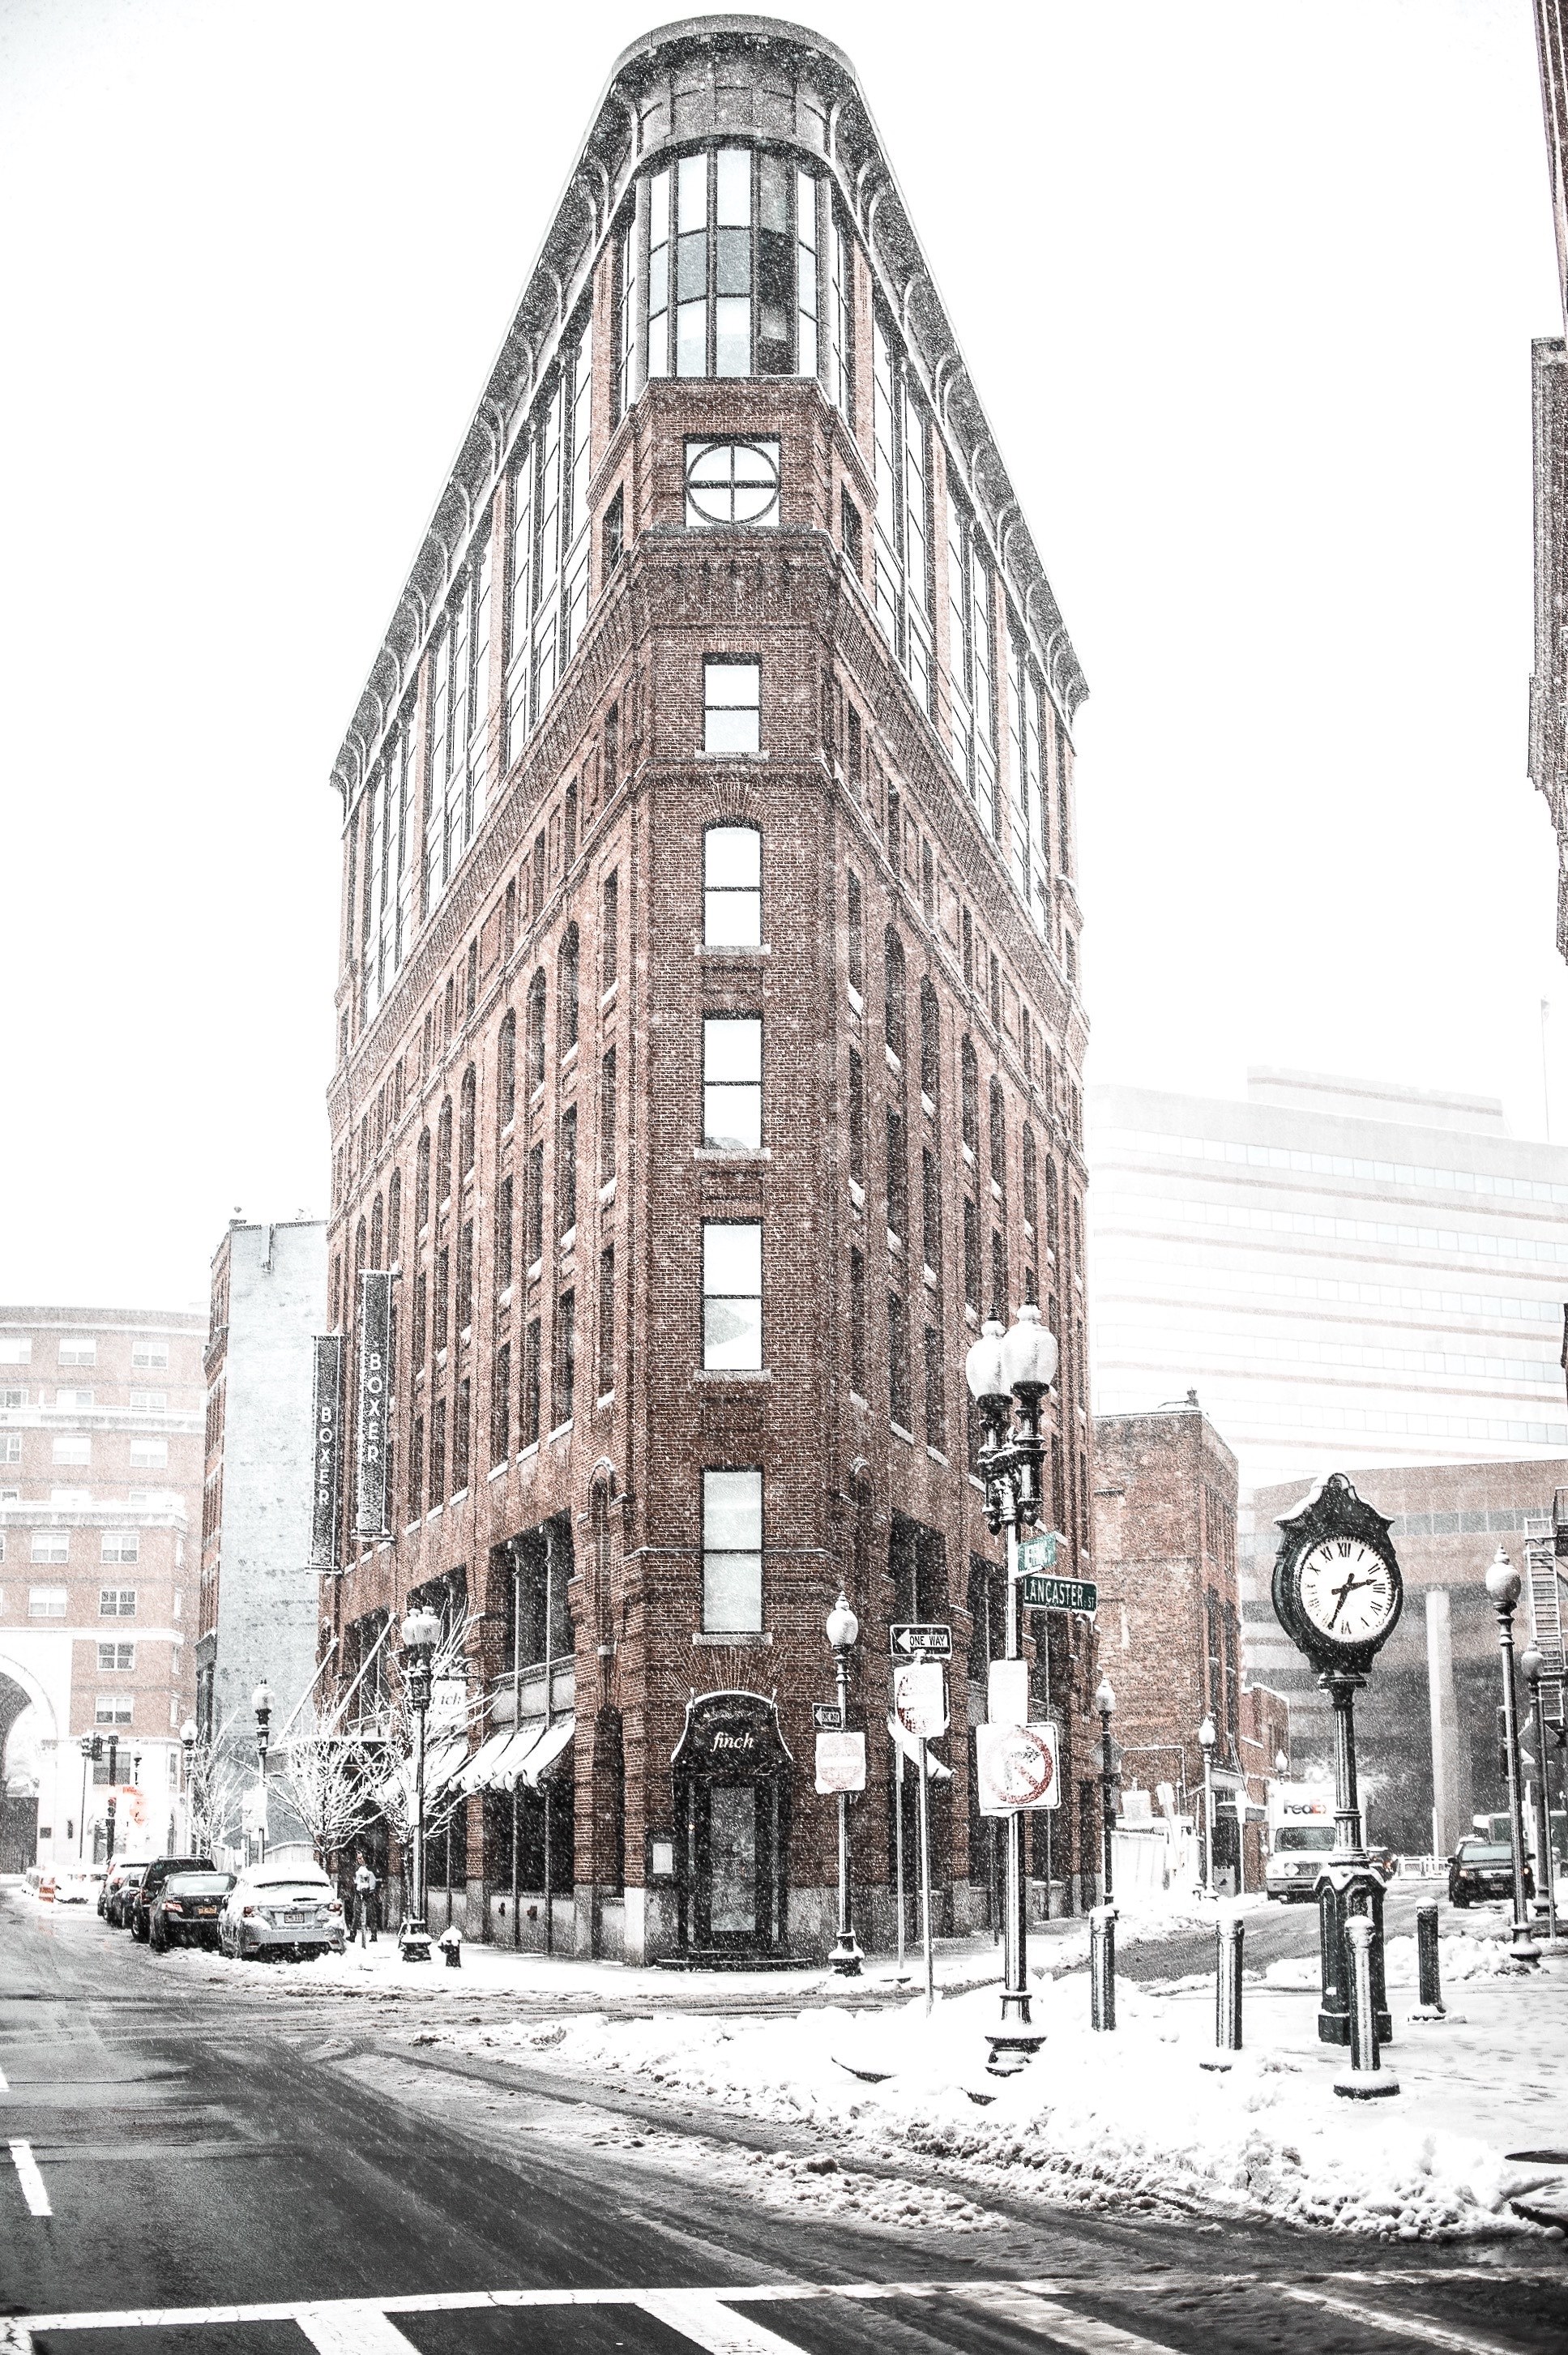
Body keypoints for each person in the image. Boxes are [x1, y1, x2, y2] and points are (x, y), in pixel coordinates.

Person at [351, 1850, 378, 1946]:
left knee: (371, 1915)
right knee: (356, 1915)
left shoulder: (370, 1870)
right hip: (359, 1894)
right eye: (358, 1858)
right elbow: (355, 1882)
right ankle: (352, 1935)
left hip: (368, 1894)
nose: (359, 1860)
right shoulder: (356, 1869)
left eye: (361, 1858)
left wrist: (370, 1891)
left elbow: (373, 1882)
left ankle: (374, 1935)